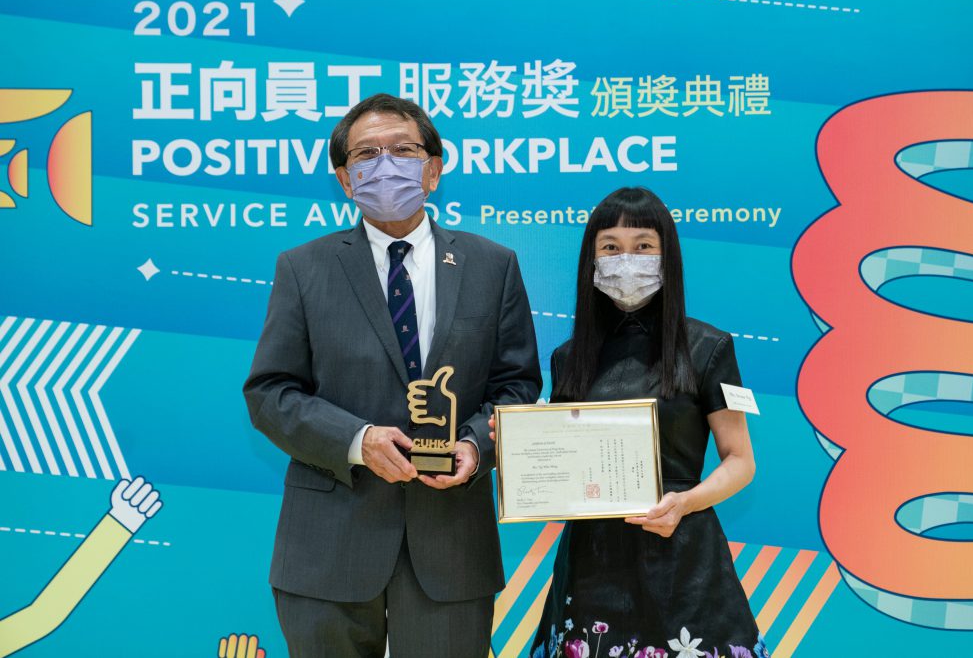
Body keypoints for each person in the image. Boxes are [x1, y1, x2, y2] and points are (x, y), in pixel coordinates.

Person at [243, 93, 542, 658]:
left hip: (451, 544)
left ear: (433, 167)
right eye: (366, 154)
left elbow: (517, 386)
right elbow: (270, 393)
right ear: (344, 178)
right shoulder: (303, 269)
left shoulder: (492, 265)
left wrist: (476, 448)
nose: (385, 164)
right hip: (328, 545)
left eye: (403, 149)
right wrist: (357, 441)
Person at [526, 187, 768, 658]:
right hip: (592, 561)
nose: (626, 260)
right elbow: (559, 467)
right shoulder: (568, 358)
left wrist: (685, 502)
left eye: (643, 246)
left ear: (666, 256)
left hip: (682, 552)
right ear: (592, 260)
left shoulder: (707, 347)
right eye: (611, 247)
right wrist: (522, 448)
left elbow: (740, 460)